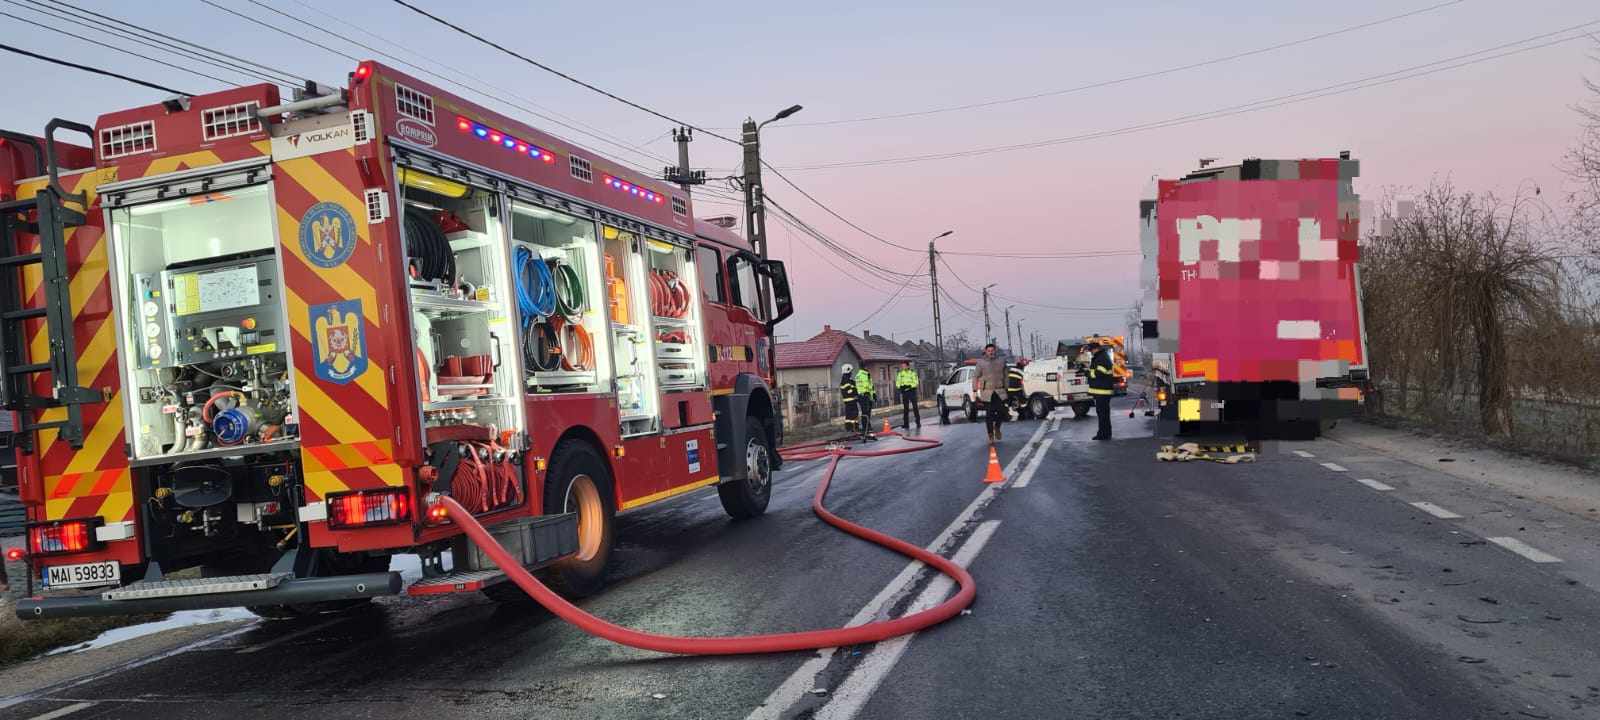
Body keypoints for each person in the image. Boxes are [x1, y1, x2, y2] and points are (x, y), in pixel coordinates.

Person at [973, 343, 1008, 443]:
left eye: (992, 350)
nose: (991, 352)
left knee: (1002, 411)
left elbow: (1006, 375)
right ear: (985, 351)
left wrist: (1007, 387)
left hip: (999, 391)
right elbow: (975, 376)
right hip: (987, 393)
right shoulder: (981, 362)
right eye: (989, 351)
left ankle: (997, 427)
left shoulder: (1001, 361)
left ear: (995, 350)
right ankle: (990, 435)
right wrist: (975, 390)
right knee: (989, 414)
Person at [1087, 341, 1117, 440]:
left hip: (1102, 391)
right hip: (1101, 390)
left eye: (1091, 350)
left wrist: (1088, 373)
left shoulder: (1101, 358)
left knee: (1102, 414)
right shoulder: (1101, 357)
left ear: (1096, 349)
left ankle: (1103, 434)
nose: (1091, 352)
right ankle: (1105, 433)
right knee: (1103, 414)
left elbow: (1100, 373)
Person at [853, 365, 877, 441]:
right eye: (867, 367)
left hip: (866, 396)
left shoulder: (863, 374)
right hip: (864, 396)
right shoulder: (863, 375)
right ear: (864, 367)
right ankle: (865, 429)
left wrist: (873, 395)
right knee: (865, 413)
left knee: (867, 413)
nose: (868, 368)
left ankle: (867, 428)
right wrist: (871, 395)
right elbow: (866, 386)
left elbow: (871, 386)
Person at [895, 360, 921, 430]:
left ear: (907, 366)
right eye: (902, 366)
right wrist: (900, 387)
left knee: (915, 407)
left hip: (912, 391)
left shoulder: (912, 373)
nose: (902, 367)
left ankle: (918, 422)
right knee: (905, 408)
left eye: (904, 365)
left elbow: (916, 382)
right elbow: (897, 382)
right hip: (904, 392)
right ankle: (906, 424)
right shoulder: (900, 373)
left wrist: (909, 386)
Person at [839, 364, 861, 437]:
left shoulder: (849, 380)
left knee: (850, 414)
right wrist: (856, 394)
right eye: (850, 371)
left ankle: (851, 428)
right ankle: (852, 428)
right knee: (853, 414)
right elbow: (849, 391)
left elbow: (854, 388)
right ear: (847, 371)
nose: (851, 372)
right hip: (850, 400)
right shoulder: (845, 381)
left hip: (851, 400)